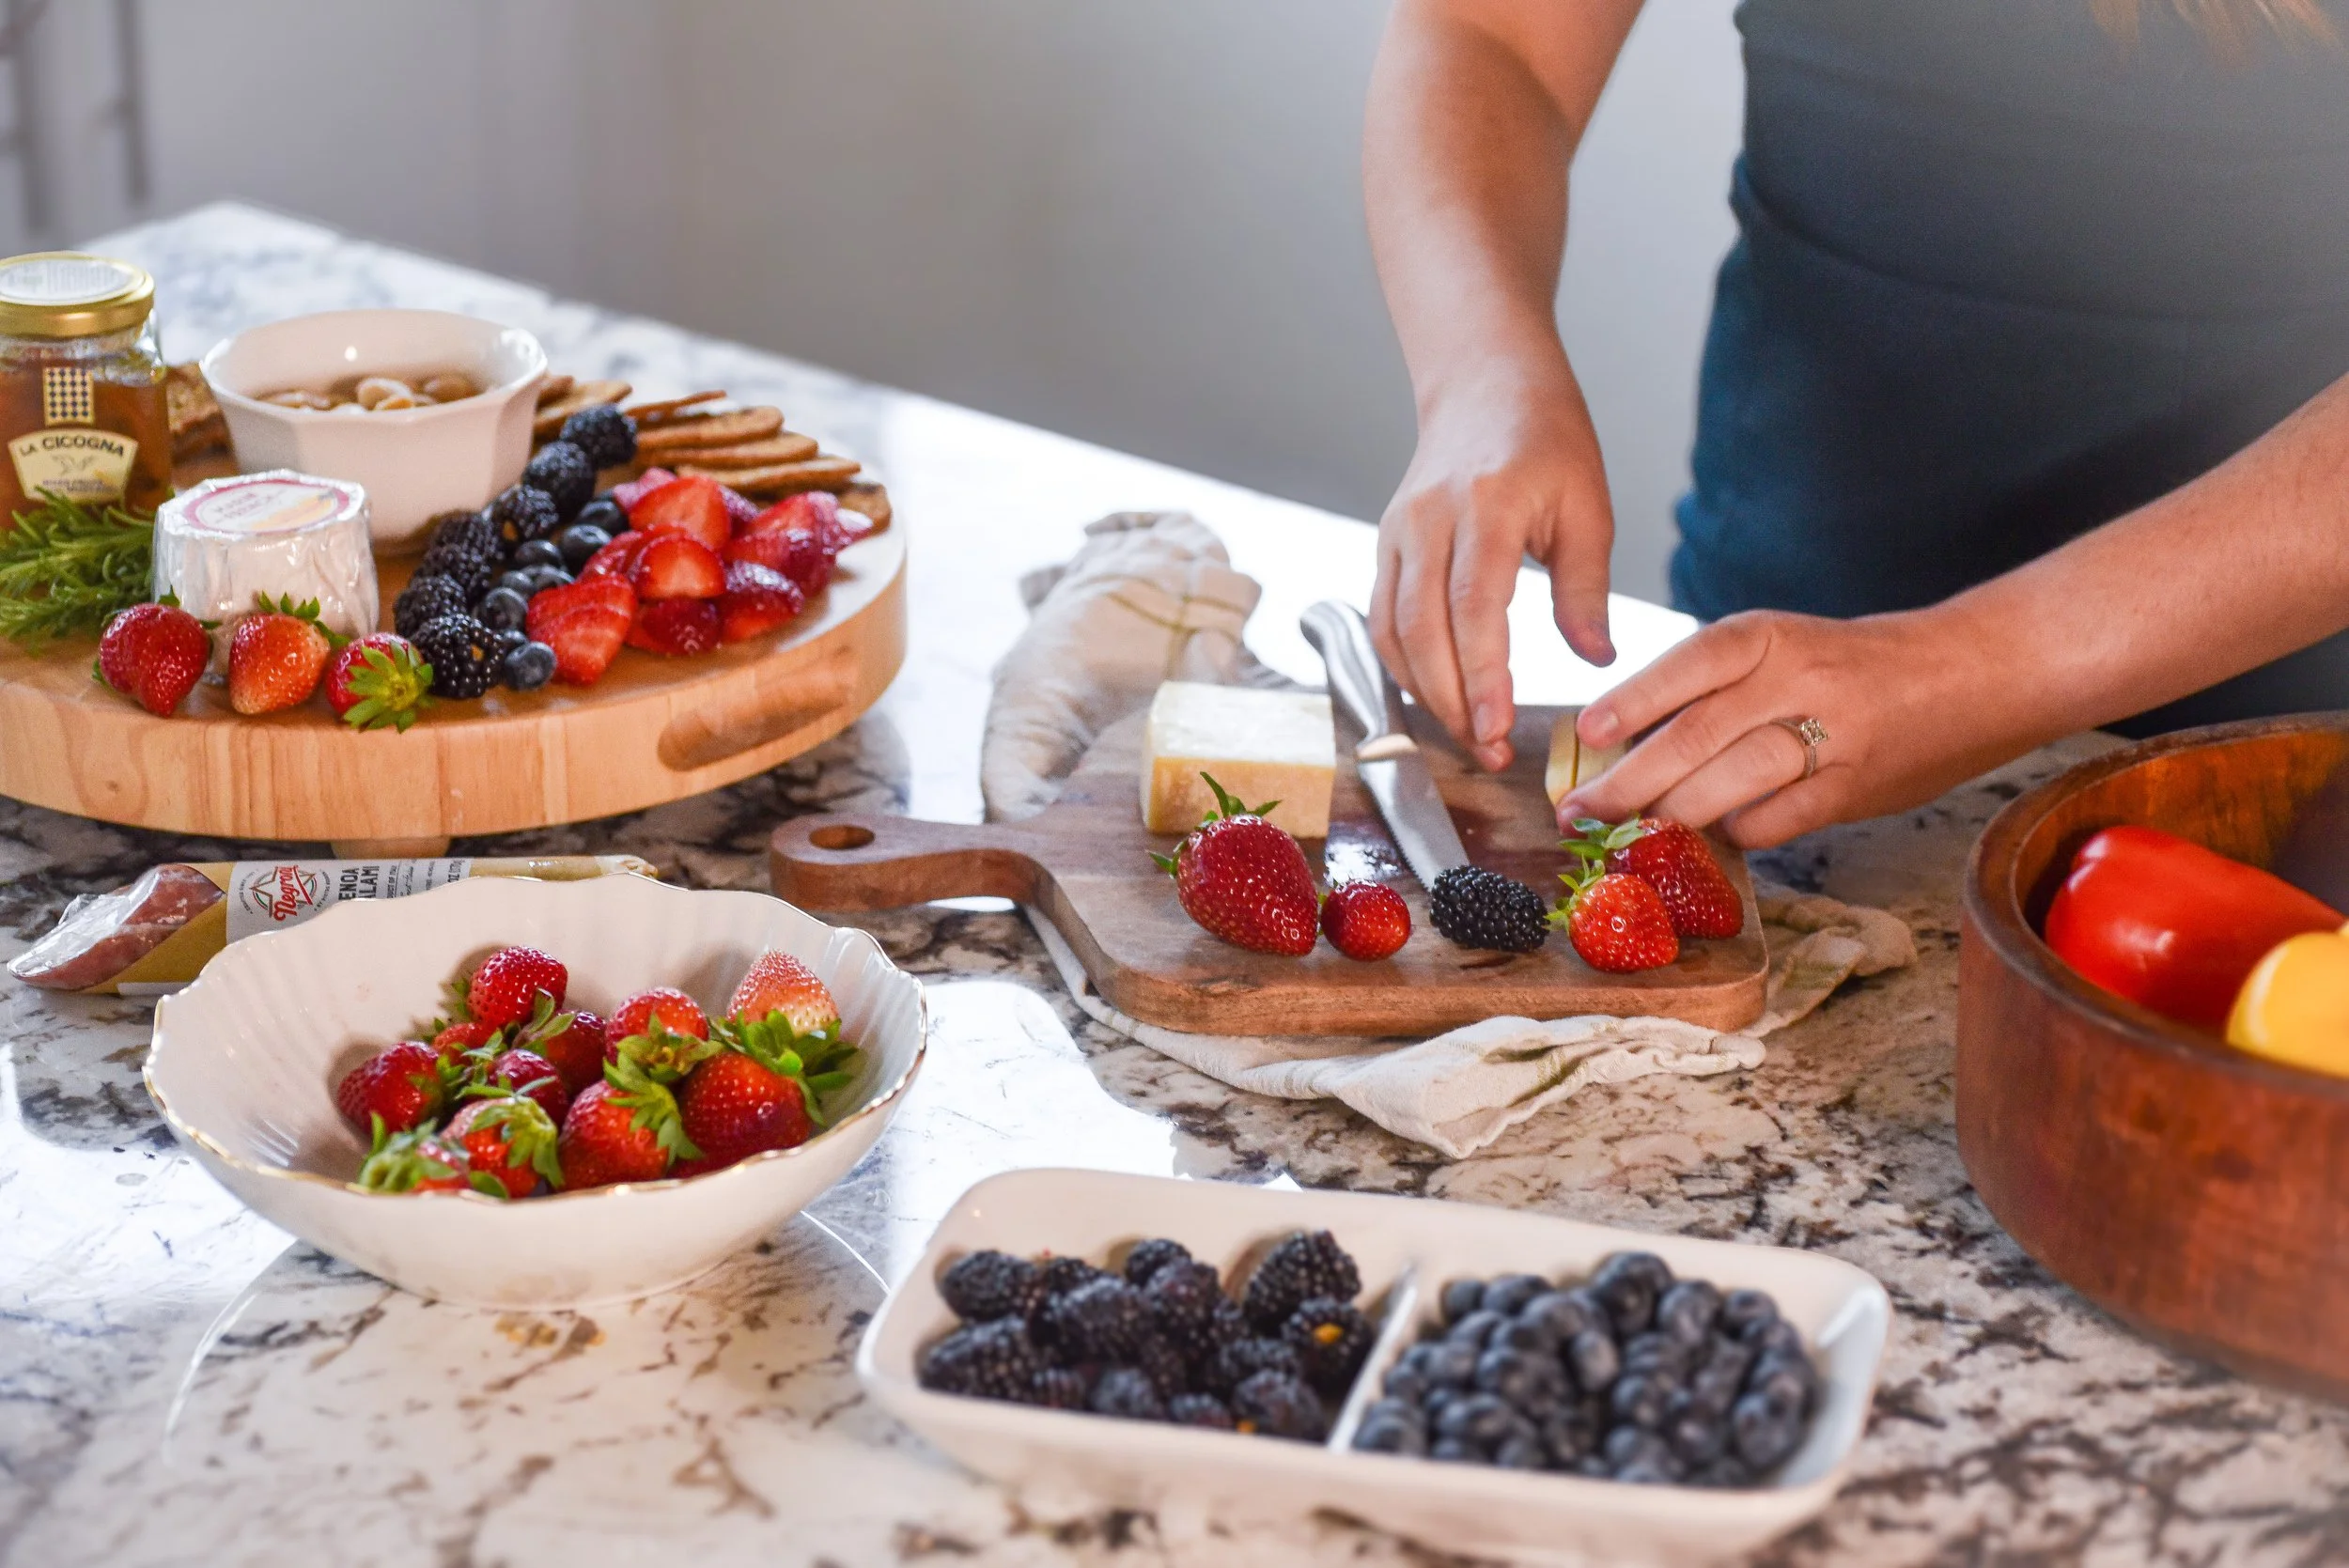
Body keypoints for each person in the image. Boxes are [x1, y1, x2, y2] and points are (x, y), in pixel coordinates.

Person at [1363, 0, 2349, 848]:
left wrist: (1963, 672)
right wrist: (1484, 377)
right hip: (1772, 673)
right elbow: (1494, 36)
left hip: (2274, 758)